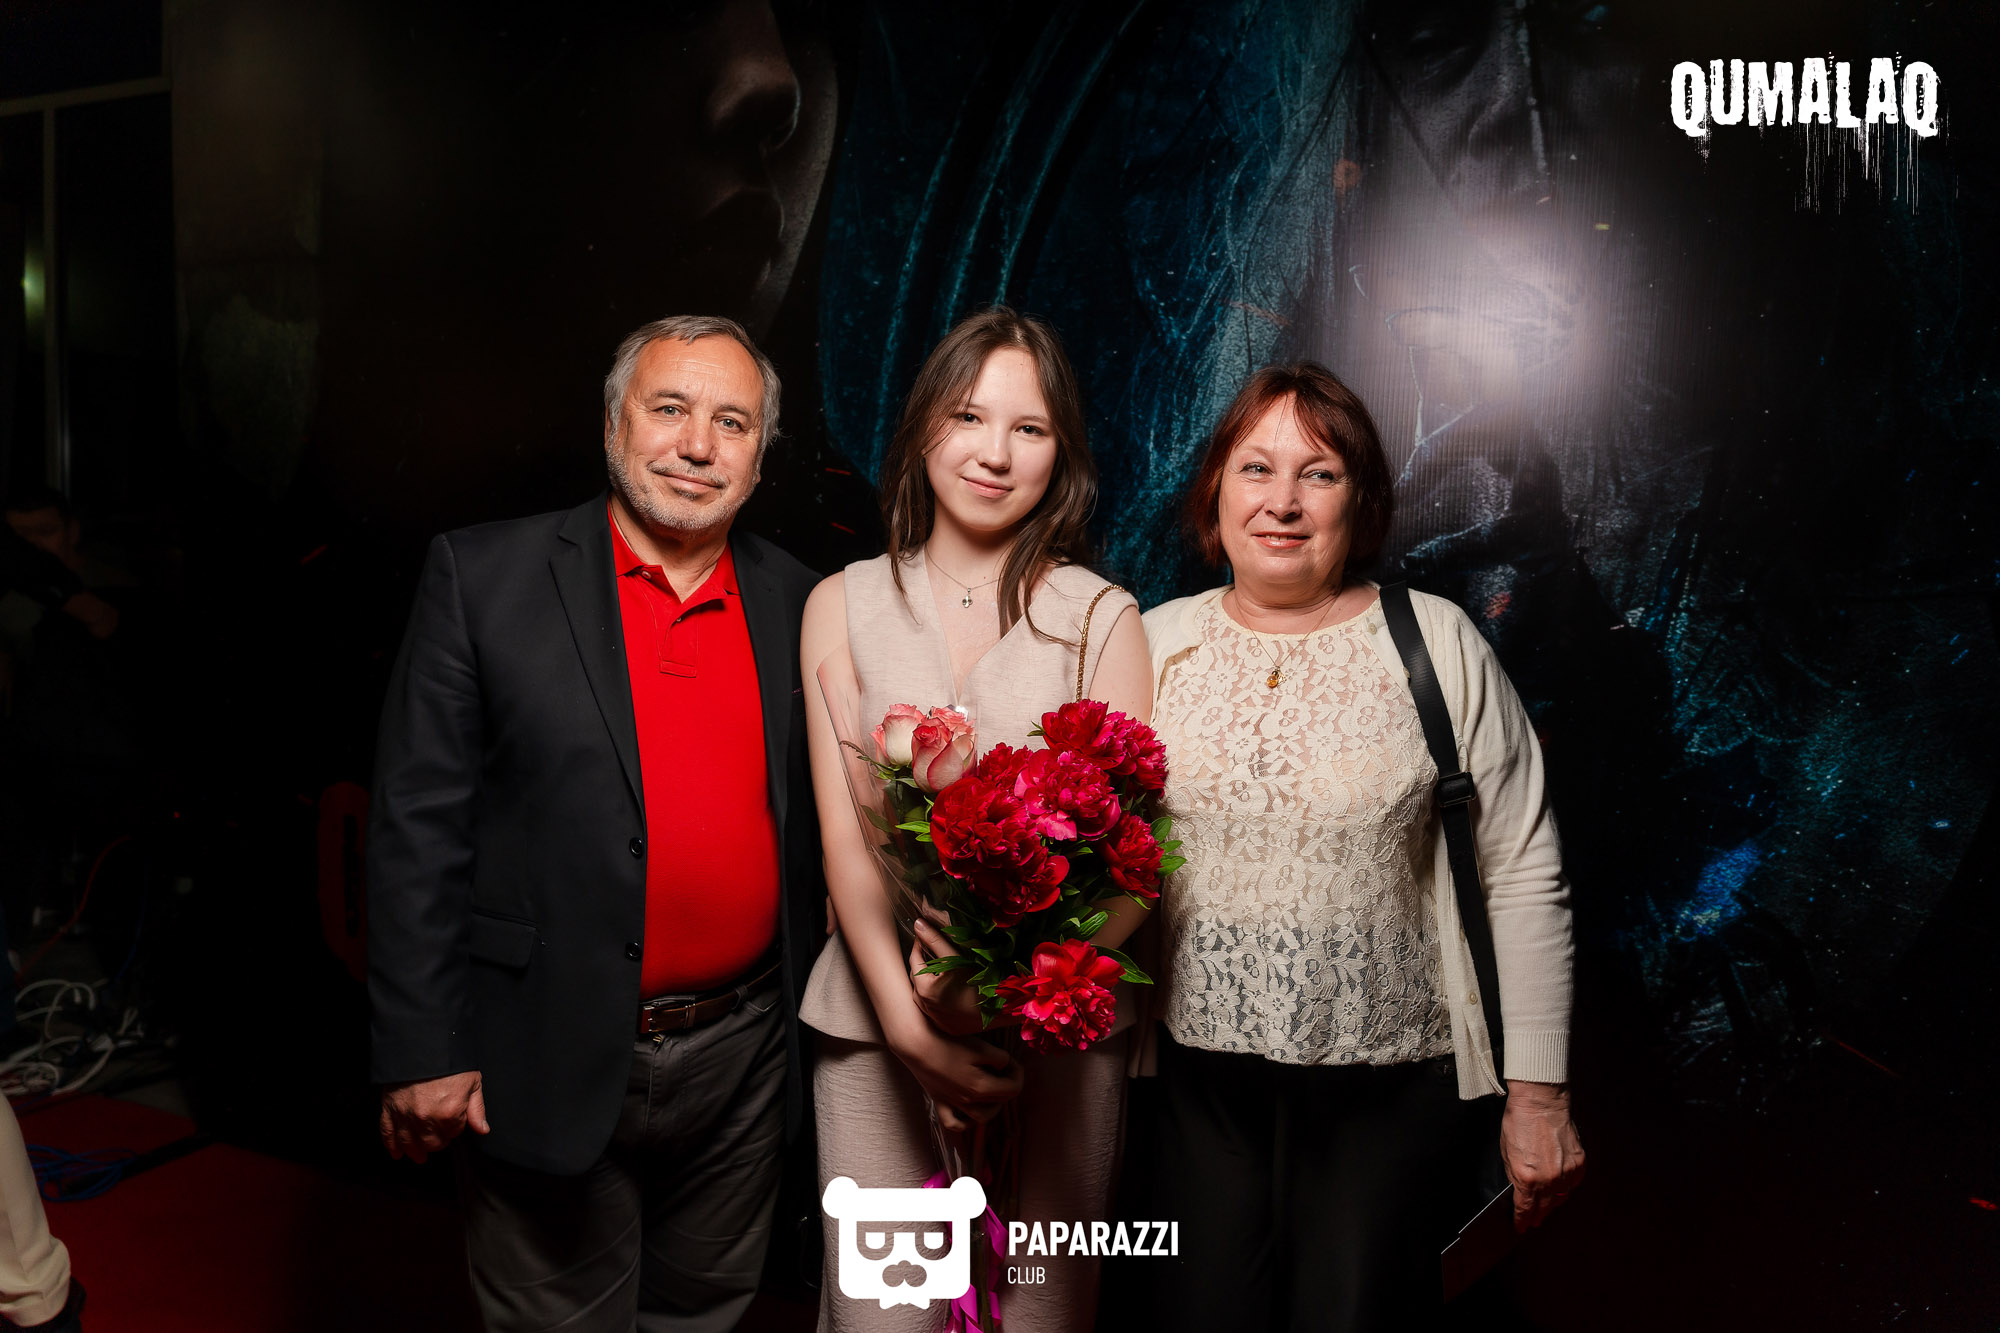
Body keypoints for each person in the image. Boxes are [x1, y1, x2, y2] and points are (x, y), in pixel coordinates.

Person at [368, 314, 824, 1333]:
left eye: (732, 422)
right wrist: (420, 1044)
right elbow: (416, 828)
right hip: (542, 1043)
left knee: (702, 1315)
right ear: (615, 424)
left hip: (743, 1056)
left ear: (760, 455)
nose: (697, 445)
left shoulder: (803, 602)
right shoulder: (483, 575)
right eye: (669, 409)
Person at [1140, 362, 1584, 1332]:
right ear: (1215, 490)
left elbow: (1521, 869)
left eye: (1320, 473)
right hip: (1190, 1097)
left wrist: (1538, 1093)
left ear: (1362, 499)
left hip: (1389, 1093)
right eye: (1256, 468)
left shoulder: (1436, 642)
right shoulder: (1148, 644)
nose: (1283, 502)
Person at [797, 307, 1152, 1332]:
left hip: (1057, 1052)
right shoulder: (841, 601)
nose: (995, 452)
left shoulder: (1102, 616)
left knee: (1041, 1316)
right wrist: (918, 1035)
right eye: (967, 416)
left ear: (1061, 453)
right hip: (876, 1024)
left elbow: (1136, 864)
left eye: (1029, 428)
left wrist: (1005, 1003)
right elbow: (845, 850)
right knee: (885, 1317)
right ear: (921, 429)